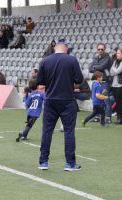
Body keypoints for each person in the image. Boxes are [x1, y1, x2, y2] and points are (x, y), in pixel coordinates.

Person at [36, 40, 84, 171]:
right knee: (69, 131)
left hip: (51, 100)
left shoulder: (45, 61)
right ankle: (70, 163)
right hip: (67, 100)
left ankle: (43, 161)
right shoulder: (71, 60)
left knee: (47, 131)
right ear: (66, 48)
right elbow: (79, 79)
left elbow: (39, 80)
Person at [89, 43, 112, 123]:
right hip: (96, 82)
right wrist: (97, 67)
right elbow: (90, 68)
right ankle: (96, 116)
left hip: (104, 81)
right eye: (99, 49)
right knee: (96, 99)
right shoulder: (95, 57)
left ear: (105, 49)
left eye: (102, 49)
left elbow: (102, 67)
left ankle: (108, 117)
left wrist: (95, 67)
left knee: (106, 100)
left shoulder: (107, 58)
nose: (100, 51)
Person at [110, 48, 122, 124]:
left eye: (118, 53)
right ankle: (119, 118)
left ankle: (120, 119)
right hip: (114, 84)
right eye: (117, 53)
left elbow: (117, 71)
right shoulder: (115, 61)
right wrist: (114, 69)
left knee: (119, 102)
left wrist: (113, 68)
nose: (117, 54)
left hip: (121, 85)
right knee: (117, 102)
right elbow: (111, 73)